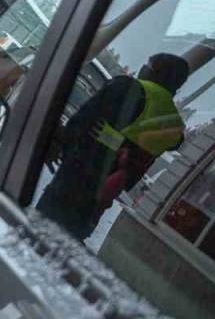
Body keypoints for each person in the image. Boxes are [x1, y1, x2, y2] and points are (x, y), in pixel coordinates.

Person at [35, 53, 189, 240]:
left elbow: (79, 124)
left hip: (69, 187)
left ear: (154, 72)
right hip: (99, 203)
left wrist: (55, 144)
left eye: (146, 64)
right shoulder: (174, 126)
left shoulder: (127, 89)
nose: (142, 68)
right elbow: (165, 145)